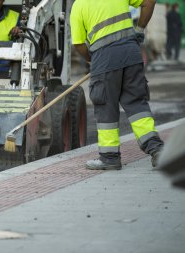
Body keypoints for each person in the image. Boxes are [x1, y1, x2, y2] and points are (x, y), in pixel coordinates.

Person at [70, 0, 164, 170]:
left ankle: (110, 157)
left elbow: (78, 44)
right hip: (131, 53)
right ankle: (156, 149)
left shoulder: (78, 5)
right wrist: (140, 30)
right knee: (136, 104)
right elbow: (149, 2)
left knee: (105, 106)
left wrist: (93, 59)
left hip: (104, 59)